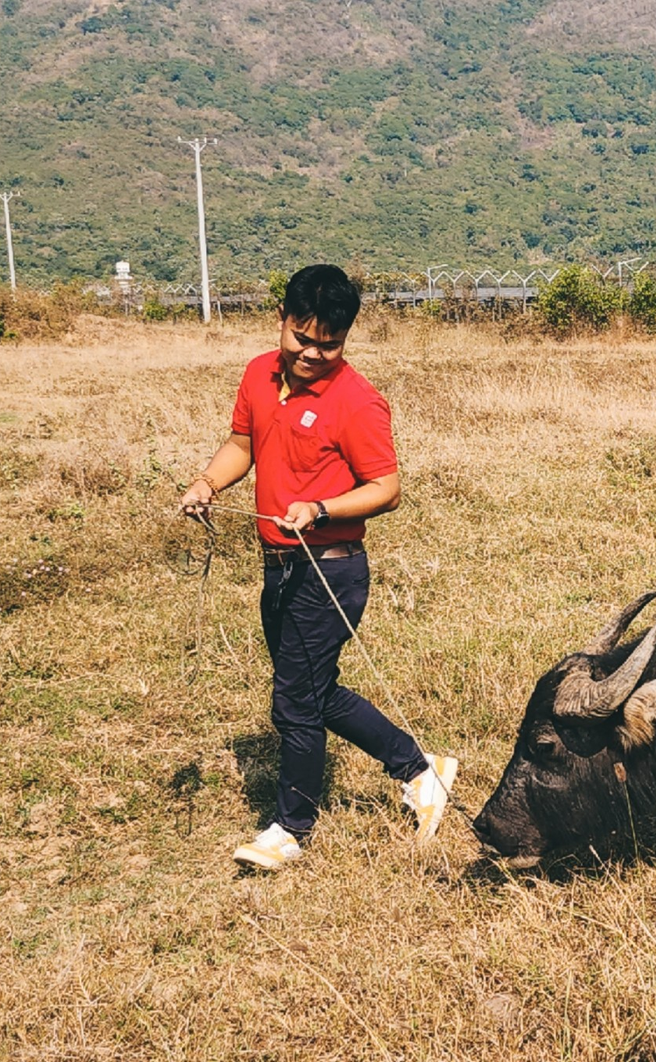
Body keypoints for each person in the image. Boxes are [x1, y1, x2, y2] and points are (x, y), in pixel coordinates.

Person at [179, 264, 455, 871]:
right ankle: (420, 769)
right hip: (278, 566)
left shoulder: (357, 401)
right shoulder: (258, 373)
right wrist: (206, 481)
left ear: (346, 337)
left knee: (294, 705)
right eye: (302, 338)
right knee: (312, 690)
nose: (313, 353)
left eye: (329, 343)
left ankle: (290, 828)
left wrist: (323, 507)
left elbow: (386, 487)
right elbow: (242, 445)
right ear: (281, 321)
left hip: (330, 570)